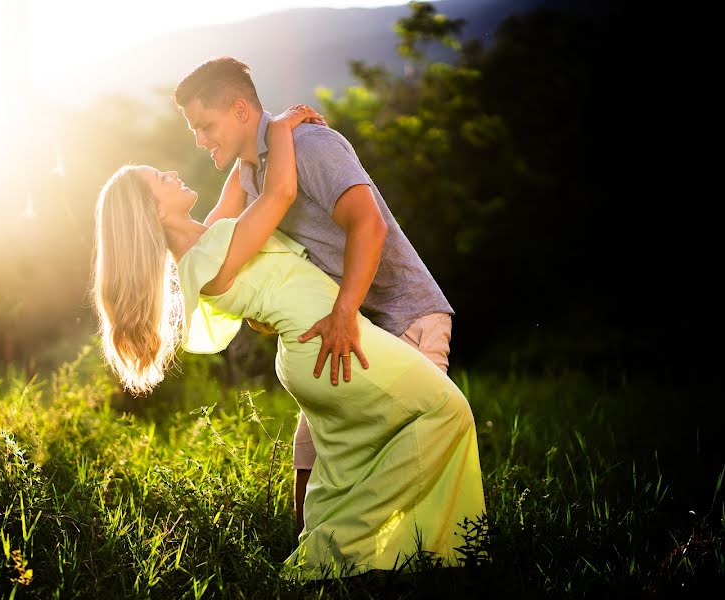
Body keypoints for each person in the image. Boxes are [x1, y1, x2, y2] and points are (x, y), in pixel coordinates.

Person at [92, 104, 486, 579]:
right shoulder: (203, 257)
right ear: (154, 210)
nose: (172, 173)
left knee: (341, 462)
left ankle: (360, 561)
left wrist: (256, 130)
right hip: (323, 339)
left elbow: (241, 178)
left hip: (312, 344)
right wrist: (278, 128)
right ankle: (353, 555)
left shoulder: (209, 238)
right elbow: (278, 191)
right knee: (446, 411)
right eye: (161, 178)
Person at [173, 57, 456, 534]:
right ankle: (311, 567)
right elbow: (216, 242)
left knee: (407, 463)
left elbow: (369, 224)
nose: (200, 140)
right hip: (347, 325)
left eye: (205, 125)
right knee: (310, 455)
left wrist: (344, 311)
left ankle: (421, 570)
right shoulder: (251, 170)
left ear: (240, 110)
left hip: (402, 318)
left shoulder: (311, 145)